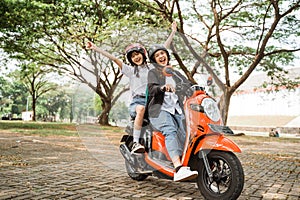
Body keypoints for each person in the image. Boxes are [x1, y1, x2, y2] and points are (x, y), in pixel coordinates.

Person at [86, 22, 177, 154]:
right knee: (141, 109)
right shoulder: (130, 70)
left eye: (137, 54)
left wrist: (173, 32)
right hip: (138, 102)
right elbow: (114, 59)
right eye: (133, 56)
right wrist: (95, 48)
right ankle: (135, 142)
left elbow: (162, 48)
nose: (136, 57)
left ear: (143, 54)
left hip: (152, 100)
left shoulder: (152, 67)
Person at [146, 44, 198, 182]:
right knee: (170, 130)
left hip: (177, 109)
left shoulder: (175, 73)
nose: (161, 56)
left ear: (167, 56)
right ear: (154, 60)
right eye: (157, 55)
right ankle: (178, 168)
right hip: (158, 111)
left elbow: (189, 84)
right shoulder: (153, 73)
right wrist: (162, 87)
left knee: (188, 133)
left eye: (163, 53)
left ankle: (189, 162)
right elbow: (152, 88)